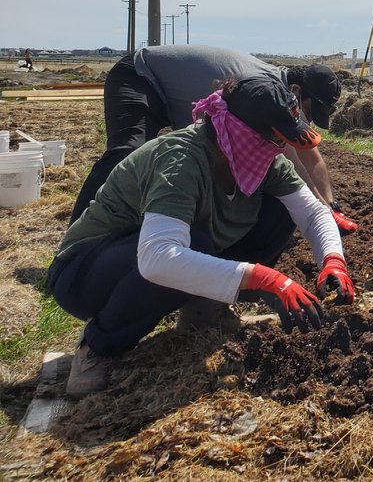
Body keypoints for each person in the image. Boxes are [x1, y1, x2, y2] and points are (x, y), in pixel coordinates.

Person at [49, 74, 356, 397]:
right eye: (275, 140)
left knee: (280, 211)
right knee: (194, 244)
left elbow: (311, 211)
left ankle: (203, 312)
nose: (280, 149)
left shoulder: (260, 159)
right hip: (85, 273)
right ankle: (98, 346)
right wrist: (260, 278)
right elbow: (158, 259)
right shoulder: (182, 160)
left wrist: (332, 260)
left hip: (142, 258)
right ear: (241, 132)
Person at [69, 44, 357, 234]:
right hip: (141, 76)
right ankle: (80, 238)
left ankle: (144, 224)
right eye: (309, 110)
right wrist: (318, 209)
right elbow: (287, 157)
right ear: (296, 90)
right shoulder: (261, 92)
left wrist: (330, 205)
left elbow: (309, 153)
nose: (306, 119)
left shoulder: (280, 92)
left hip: (173, 96)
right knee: (127, 151)